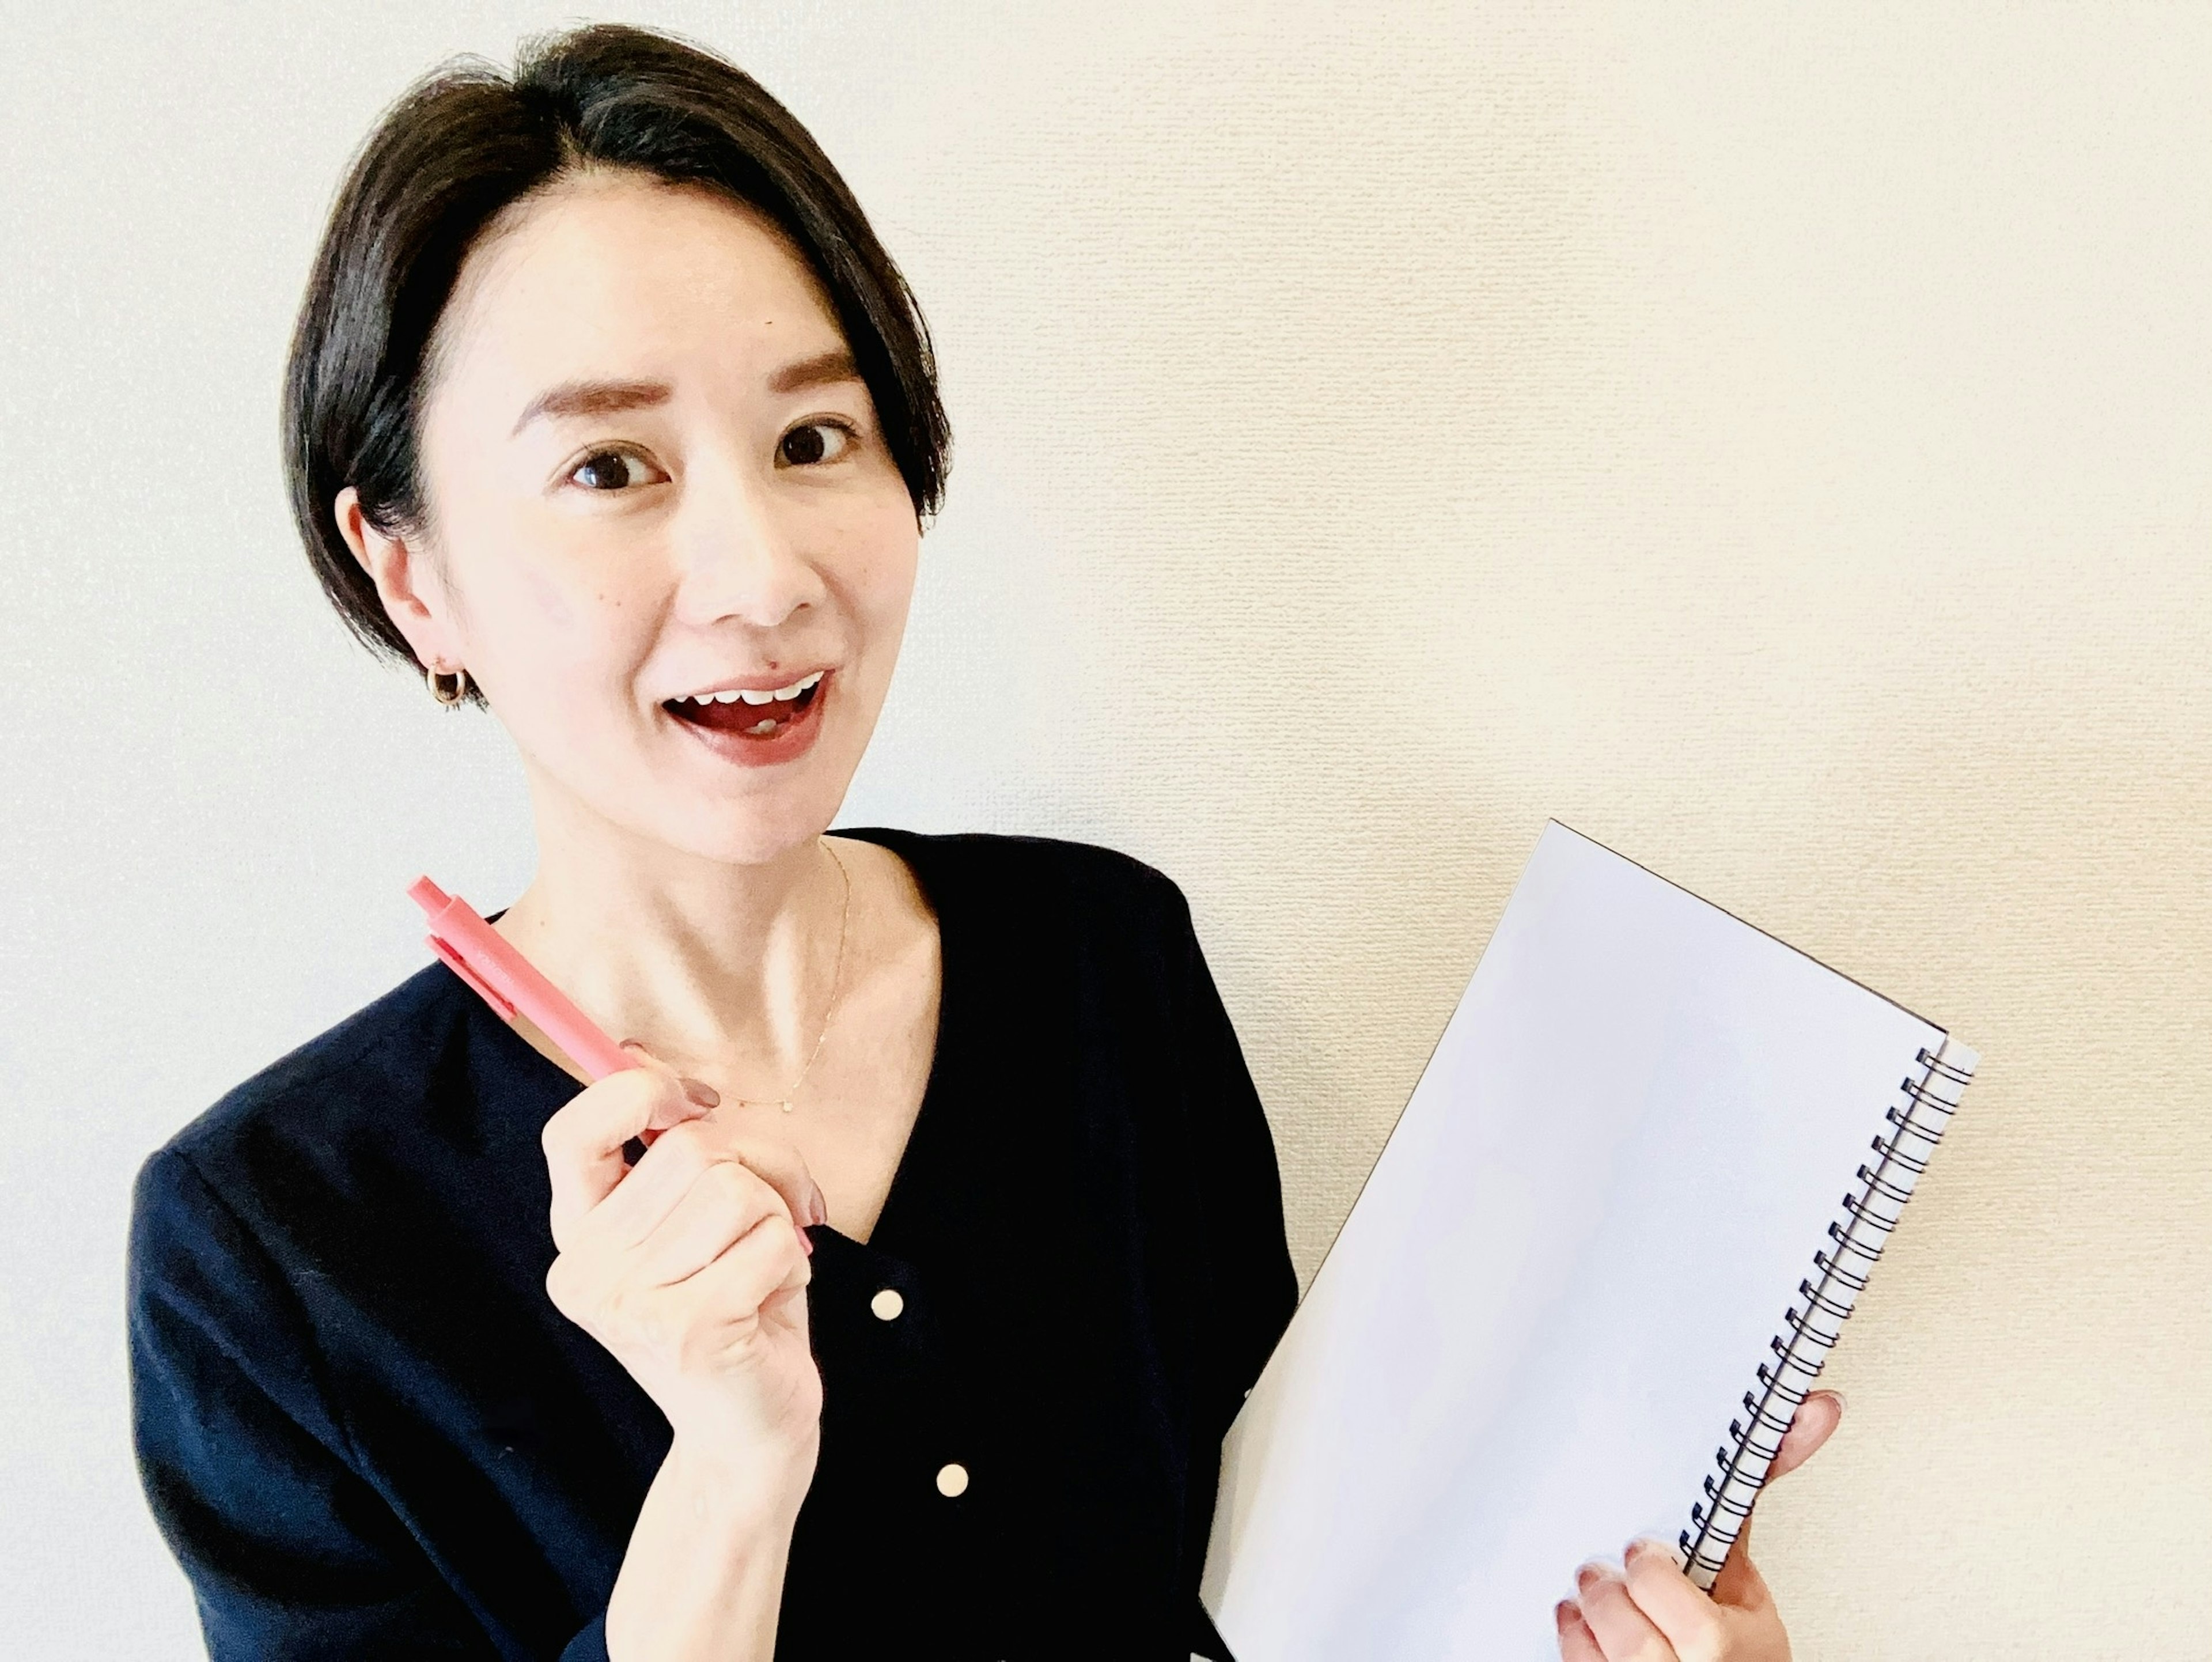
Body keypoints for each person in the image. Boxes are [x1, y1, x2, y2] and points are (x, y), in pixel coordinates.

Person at [124, 22, 1840, 1662]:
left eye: (814, 438)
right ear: (408, 571)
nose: (762, 576)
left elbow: (1275, 1608)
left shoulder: (1103, 960)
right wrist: (729, 1479)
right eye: (610, 469)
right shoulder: (271, 1248)